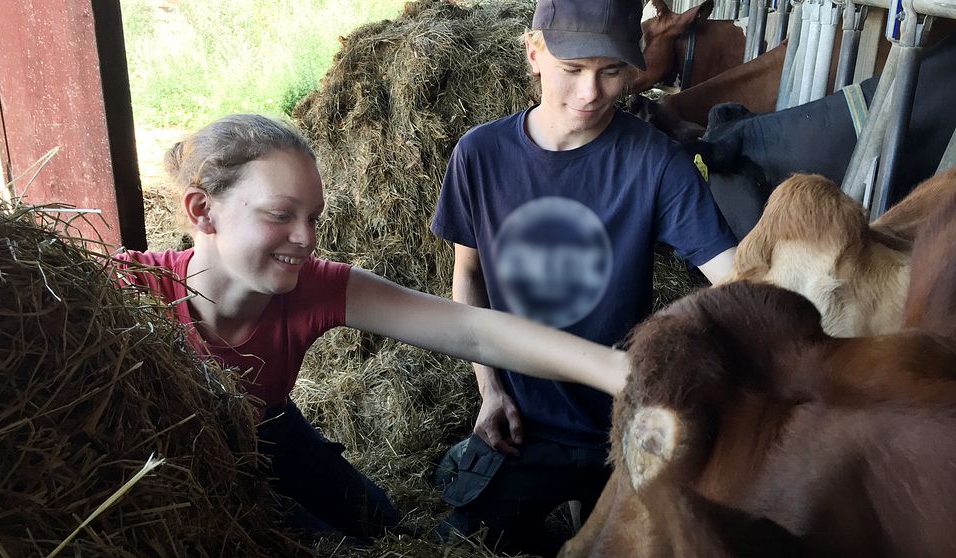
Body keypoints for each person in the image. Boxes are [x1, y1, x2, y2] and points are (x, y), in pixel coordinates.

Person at [112, 113, 632, 543]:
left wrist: (620, 371)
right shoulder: (124, 295)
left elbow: (473, 330)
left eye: (313, 217)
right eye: (280, 215)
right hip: (177, 473)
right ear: (203, 211)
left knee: (382, 527)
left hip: (267, 424)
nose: (305, 237)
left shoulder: (309, 286)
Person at [430, 0, 738, 554]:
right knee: (459, 544)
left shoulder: (655, 162)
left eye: (612, 70)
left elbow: (733, 281)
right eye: (573, 69)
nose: (592, 92)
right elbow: (468, 277)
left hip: (627, 424)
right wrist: (490, 390)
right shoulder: (480, 155)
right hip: (522, 423)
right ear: (534, 55)